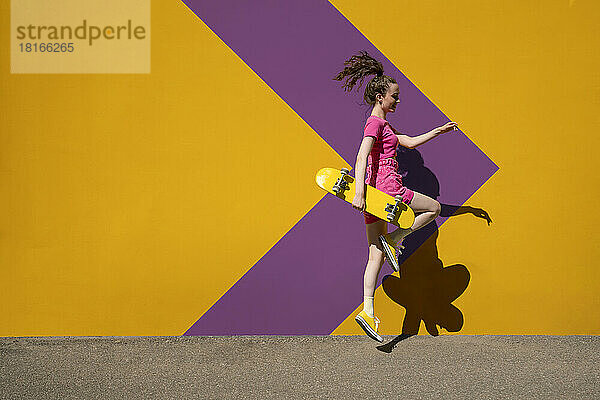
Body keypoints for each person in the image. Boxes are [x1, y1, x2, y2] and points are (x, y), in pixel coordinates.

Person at [334, 51, 457, 342]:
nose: (398, 101)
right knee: (434, 208)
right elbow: (361, 155)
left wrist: (438, 131)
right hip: (388, 190)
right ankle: (395, 239)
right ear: (380, 97)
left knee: (374, 255)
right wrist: (360, 191)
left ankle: (367, 310)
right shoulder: (374, 124)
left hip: (374, 199)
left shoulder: (386, 126)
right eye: (395, 96)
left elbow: (410, 142)